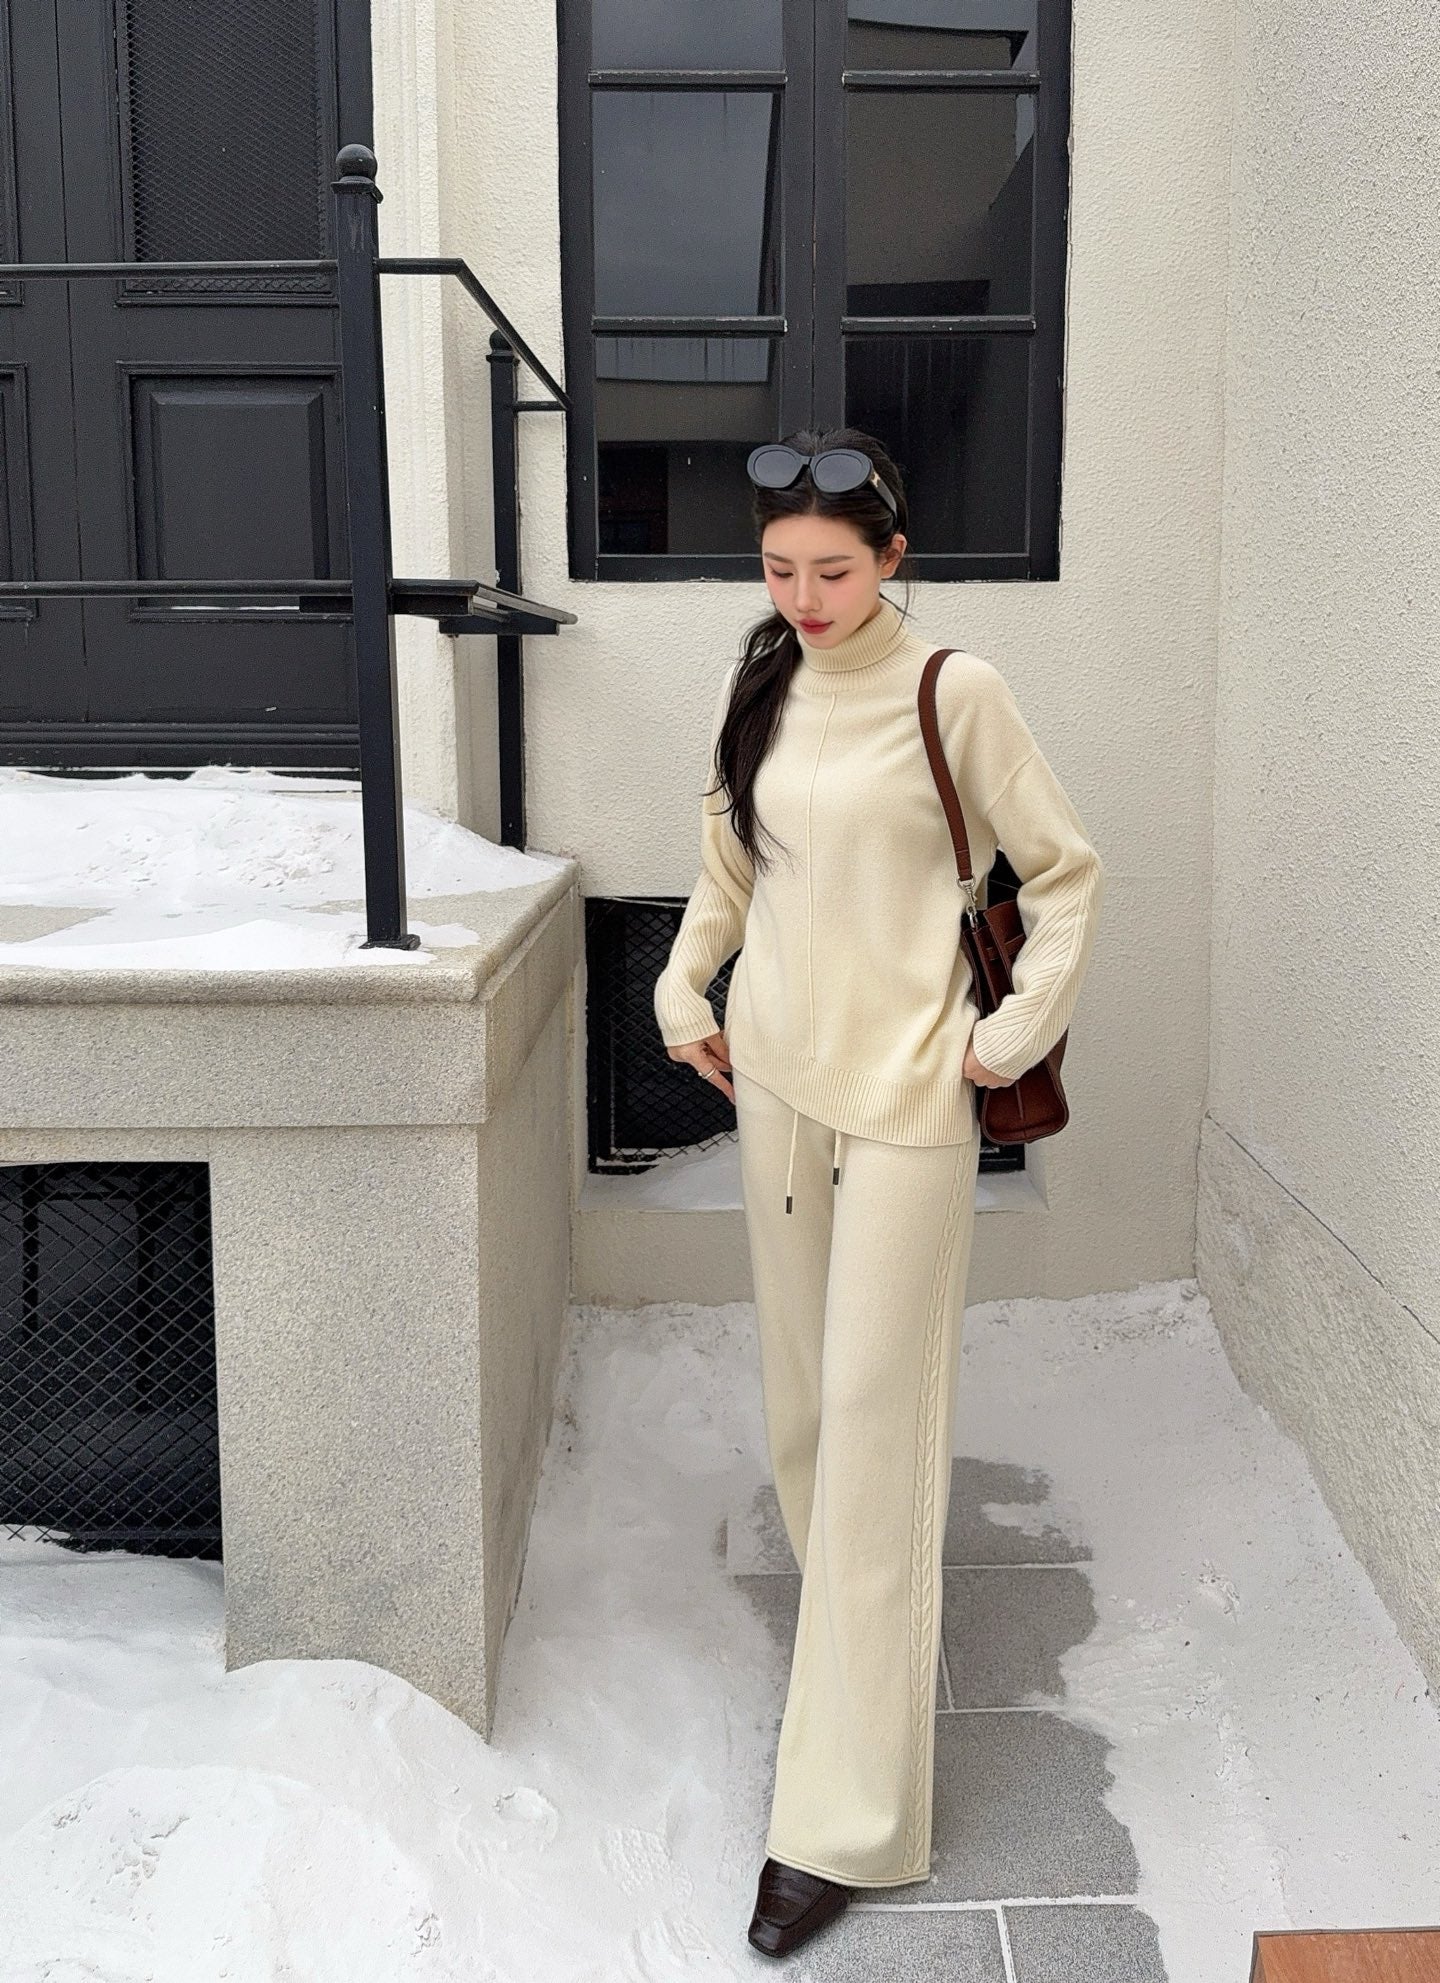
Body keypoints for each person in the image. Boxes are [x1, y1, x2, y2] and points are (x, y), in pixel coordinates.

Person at [652, 426, 1105, 1960]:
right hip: (776, 1084)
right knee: (803, 1414)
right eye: (779, 569)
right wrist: (681, 986)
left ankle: (843, 1816)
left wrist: (1008, 1035)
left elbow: (1066, 874)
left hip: (910, 1098)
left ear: (893, 558)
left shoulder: (955, 692)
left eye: (833, 571)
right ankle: (861, 1648)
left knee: (872, 1419)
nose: (803, 596)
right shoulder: (763, 685)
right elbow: (732, 871)